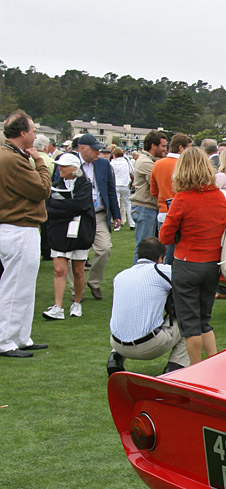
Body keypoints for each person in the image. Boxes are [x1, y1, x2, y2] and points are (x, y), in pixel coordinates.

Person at [157, 147, 226, 365]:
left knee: (190, 324)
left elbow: (165, 237)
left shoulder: (182, 199)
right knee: (204, 320)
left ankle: (196, 368)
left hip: (187, 263)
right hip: (213, 264)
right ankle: (213, 364)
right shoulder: (220, 197)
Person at [0, 110, 51, 358]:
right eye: (32, 131)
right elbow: (42, 189)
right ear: (22, 133)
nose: (35, 135)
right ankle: (5, 340)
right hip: (18, 226)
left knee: (24, 286)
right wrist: (39, 161)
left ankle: (20, 336)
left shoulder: (10, 156)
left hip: (20, 227)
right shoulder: (12, 159)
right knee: (15, 286)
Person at [107, 237, 189, 376]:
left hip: (116, 343)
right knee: (190, 322)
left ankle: (114, 360)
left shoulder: (120, 275)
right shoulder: (162, 270)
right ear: (160, 258)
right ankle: (174, 368)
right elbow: (189, 283)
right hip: (149, 346)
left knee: (130, 317)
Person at [41, 153, 96, 320]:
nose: (60, 168)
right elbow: (49, 207)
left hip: (80, 233)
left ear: (74, 169)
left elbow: (81, 205)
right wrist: (69, 209)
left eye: (63, 166)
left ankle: (76, 303)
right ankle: (57, 307)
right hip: (58, 233)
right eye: (59, 165)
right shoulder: (55, 185)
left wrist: (63, 208)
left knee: (78, 271)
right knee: (59, 270)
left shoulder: (84, 185)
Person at [76, 133, 122, 299]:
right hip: (77, 215)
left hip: (98, 214)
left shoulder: (103, 164)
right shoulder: (71, 163)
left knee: (104, 249)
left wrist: (116, 214)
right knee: (74, 253)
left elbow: (111, 190)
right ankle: (76, 289)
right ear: (82, 148)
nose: (98, 153)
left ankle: (94, 281)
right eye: (94, 150)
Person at [150, 133, 192, 262]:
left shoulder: (157, 164)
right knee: (176, 255)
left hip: (163, 212)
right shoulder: (184, 165)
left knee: (163, 252)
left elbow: (153, 191)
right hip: (181, 215)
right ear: (181, 148)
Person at [130, 131, 167, 263]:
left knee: (153, 246)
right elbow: (158, 184)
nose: (165, 149)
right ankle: (137, 277)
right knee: (144, 246)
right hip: (145, 207)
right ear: (153, 146)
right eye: (163, 146)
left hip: (150, 208)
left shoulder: (151, 161)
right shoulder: (145, 162)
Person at [110, 146, 135, 230]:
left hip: (116, 185)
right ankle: (132, 223)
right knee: (128, 204)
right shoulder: (127, 162)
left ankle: (117, 225)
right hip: (125, 185)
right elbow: (132, 171)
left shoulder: (112, 163)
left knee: (117, 205)